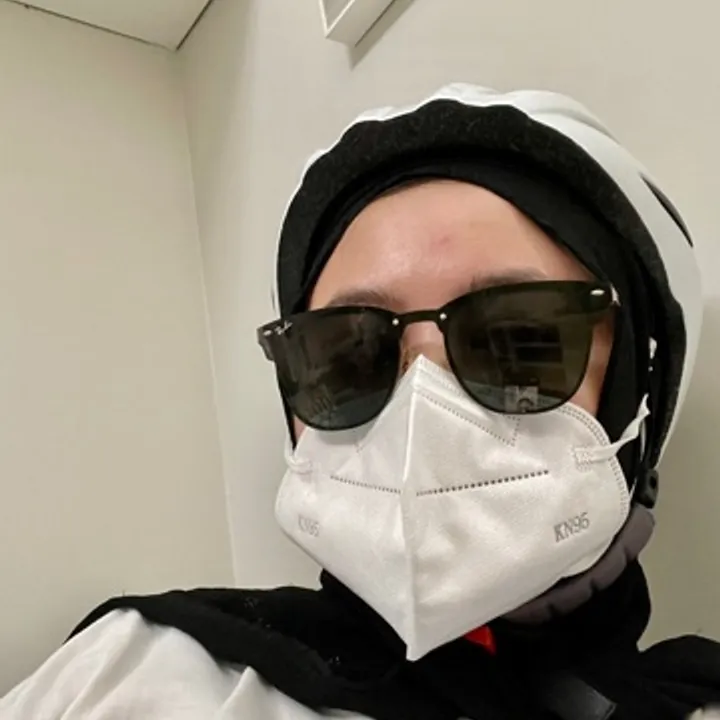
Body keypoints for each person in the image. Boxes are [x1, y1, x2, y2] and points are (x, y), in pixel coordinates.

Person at [2, 84, 719, 720]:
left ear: (640, 395)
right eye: (349, 356)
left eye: (518, 340)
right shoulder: (128, 677)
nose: (420, 415)